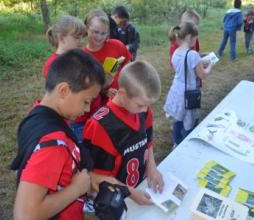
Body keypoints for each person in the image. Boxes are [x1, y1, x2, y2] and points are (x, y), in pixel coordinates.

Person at [12, 49, 105, 220]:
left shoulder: (37, 113)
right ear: (63, 90)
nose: (87, 109)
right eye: (86, 101)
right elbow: (25, 215)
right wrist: (76, 189)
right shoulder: (54, 144)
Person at [83, 60, 164, 205]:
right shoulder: (100, 126)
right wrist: (130, 193)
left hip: (139, 186)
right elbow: (97, 178)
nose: (146, 110)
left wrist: (152, 167)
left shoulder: (144, 111)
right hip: (115, 198)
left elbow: (148, 142)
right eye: (140, 105)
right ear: (122, 93)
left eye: (148, 105)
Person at [69, 9, 132, 142]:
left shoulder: (117, 46)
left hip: (121, 103)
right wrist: (104, 90)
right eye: (95, 32)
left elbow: (129, 67)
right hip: (97, 111)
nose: (99, 37)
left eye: (103, 33)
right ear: (87, 29)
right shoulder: (82, 55)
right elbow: (81, 88)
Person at [164, 22, 213, 146]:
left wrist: (199, 62)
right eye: (195, 38)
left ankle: (176, 143)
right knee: (189, 123)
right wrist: (210, 65)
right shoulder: (193, 54)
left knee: (178, 120)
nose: (195, 41)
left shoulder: (176, 52)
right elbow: (202, 75)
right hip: (189, 93)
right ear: (190, 37)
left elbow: (180, 69)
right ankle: (186, 145)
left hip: (176, 90)